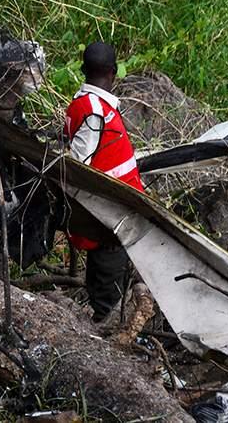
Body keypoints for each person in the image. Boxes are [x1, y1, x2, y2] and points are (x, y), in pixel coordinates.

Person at [63, 42, 144, 321]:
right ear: (113, 72)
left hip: (115, 213)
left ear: (84, 70)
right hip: (110, 216)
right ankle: (105, 333)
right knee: (108, 291)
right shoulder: (94, 111)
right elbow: (79, 166)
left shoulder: (90, 105)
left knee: (108, 277)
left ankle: (104, 321)